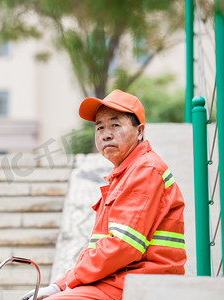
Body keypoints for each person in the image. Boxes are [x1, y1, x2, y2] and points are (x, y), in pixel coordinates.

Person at [21, 89, 186, 300]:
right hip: (120, 280)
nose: (106, 134)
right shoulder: (125, 174)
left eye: (115, 125)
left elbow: (122, 247)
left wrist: (63, 286)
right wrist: (61, 284)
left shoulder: (145, 170)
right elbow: (104, 248)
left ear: (139, 131)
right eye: (100, 127)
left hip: (142, 281)